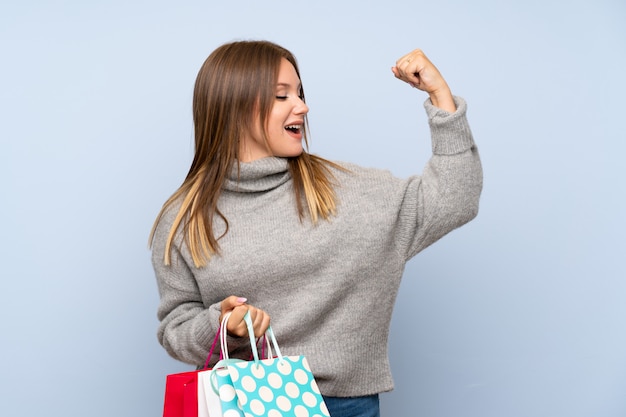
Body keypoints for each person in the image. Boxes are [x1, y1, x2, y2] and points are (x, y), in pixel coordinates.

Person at [150, 40, 482, 417]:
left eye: (300, 93)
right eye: (281, 96)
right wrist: (221, 325)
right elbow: (176, 328)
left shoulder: (353, 192)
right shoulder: (185, 219)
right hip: (240, 404)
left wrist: (441, 98)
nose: (303, 106)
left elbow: (454, 199)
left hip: (347, 406)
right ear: (234, 107)